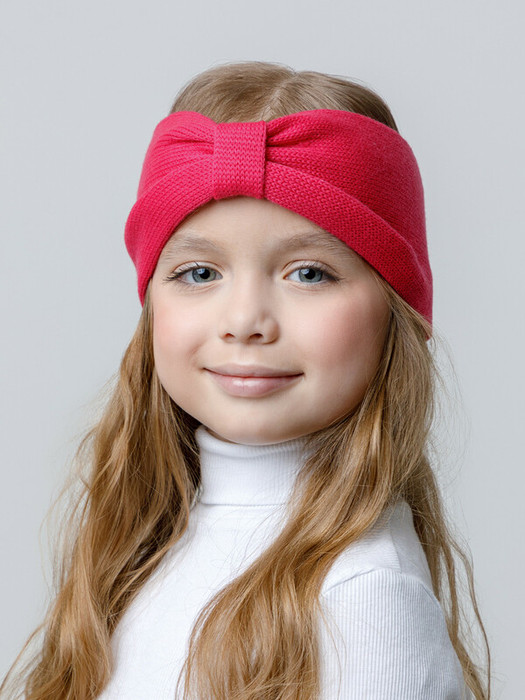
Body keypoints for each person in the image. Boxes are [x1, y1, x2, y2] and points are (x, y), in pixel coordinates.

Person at [1, 61, 490, 700]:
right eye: (200, 273)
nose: (244, 322)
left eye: (309, 273)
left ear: (397, 311)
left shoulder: (365, 596)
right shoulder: (137, 550)